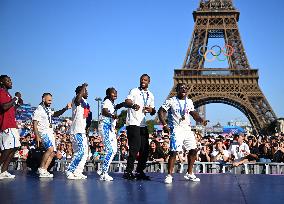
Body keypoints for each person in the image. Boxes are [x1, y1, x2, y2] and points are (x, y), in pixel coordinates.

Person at [158, 83, 207, 184]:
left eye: (185, 88)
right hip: (176, 129)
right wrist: (164, 124)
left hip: (187, 129)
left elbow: (193, 113)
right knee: (174, 151)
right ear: (177, 90)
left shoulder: (189, 101)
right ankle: (169, 175)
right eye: (181, 88)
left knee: (194, 150)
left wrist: (201, 120)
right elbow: (161, 111)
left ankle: (189, 173)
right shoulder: (171, 100)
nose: (184, 89)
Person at [123, 74, 156, 180]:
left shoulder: (151, 95)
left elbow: (153, 111)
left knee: (145, 149)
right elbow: (127, 101)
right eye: (142, 79)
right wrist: (132, 105)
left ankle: (139, 171)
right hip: (133, 122)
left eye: (145, 80)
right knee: (135, 147)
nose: (143, 81)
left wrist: (151, 110)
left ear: (149, 82)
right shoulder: (134, 91)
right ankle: (128, 171)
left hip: (143, 124)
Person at [33, 93, 71, 178]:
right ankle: (41, 168)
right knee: (50, 149)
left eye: (51, 100)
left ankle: (44, 170)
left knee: (53, 152)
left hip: (50, 132)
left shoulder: (48, 109)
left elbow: (56, 114)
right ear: (43, 99)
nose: (51, 102)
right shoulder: (39, 109)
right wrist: (37, 136)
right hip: (43, 132)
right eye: (49, 100)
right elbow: (34, 124)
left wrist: (65, 108)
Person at [99, 87, 125, 181]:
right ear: (108, 94)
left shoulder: (111, 103)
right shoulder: (106, 101)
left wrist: (123, 104)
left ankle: (102, 169)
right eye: (113, 93)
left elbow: (115, 107)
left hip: (110, 129)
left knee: (114, 150)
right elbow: (104, 111)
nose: (115, 94)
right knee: (110, 150)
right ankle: (104, 173)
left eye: (116, 93)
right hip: (105, 127)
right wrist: (112, 115)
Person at [66, 83, 90, 179]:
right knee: (79, 151)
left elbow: (86, 117)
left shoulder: (85, 102)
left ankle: (77, 171)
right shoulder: (76, 99)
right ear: (80, 92)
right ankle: (70, 170)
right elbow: (77, 99)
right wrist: (83, 87)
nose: (87, 92)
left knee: (85, 153)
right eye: (85, 91)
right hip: (76, 130)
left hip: (82, 131)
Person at [0, 75, 22, 179]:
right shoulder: (1, 92)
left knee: (15, 147)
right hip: (6, 124)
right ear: (2, 82)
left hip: (11, 124)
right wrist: (15, 98)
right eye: (8, 80)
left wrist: (17, 104)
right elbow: (4, 106)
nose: (10, 82)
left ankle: (3, 171)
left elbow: (10, 109)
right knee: (8, 148)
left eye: (10, 80)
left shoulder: (7, 94)